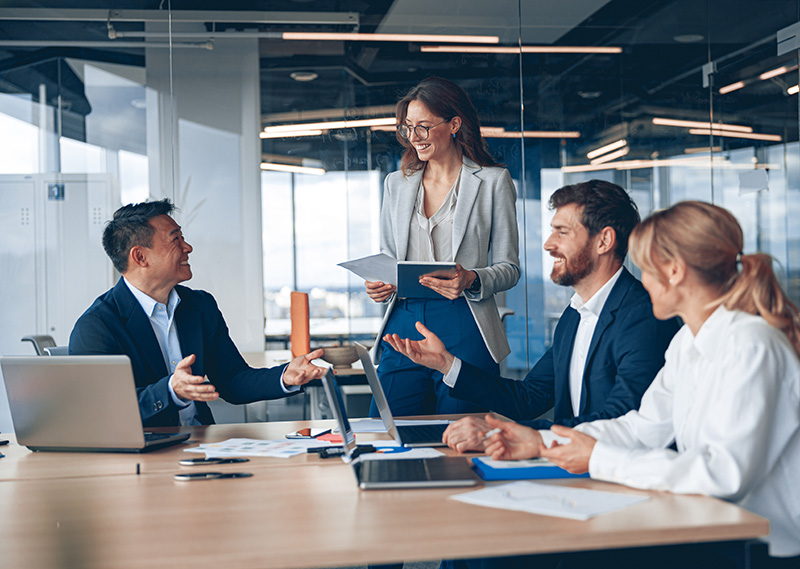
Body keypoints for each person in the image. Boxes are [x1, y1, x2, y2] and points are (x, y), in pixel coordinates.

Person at [485, 201, 800, 567]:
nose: (642, 281)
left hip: (760, 547)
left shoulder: (751, 344)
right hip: (712, 528)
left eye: (646, 270)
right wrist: (542, 442)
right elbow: (643, 427)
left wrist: (598, 457)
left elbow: (721, 474)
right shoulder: (688, 342)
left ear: (675, 271)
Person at [385, 180, 679, 452]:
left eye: (562, 232)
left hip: (615, 477)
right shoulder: (575, 315)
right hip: (571, 468)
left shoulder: (645, 317)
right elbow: (528, 399)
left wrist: (502, 434)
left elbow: (620, 420)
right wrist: (446, 363)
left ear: (604, 241)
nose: (548, 244)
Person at [69, 199, 327, 428]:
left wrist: (284, 376)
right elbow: (102, 412)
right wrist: (170, 391)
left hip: (202, 447)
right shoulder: (96, 326)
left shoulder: (200, 306)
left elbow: (232, 380)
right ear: (140, 257)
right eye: (175, 239)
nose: (188, 247)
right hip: (144, 455)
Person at [365, 76, 521, 417]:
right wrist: (380, 283)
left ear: (454, 124)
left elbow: (509, 268)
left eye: (423, 127)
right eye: (408, 127)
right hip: (404, 319)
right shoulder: (397, 184)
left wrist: (472, 279)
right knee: (388, 428)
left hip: (465, 318)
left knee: (462, 431)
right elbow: (389, 257)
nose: (414, 137)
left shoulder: (493, 182)